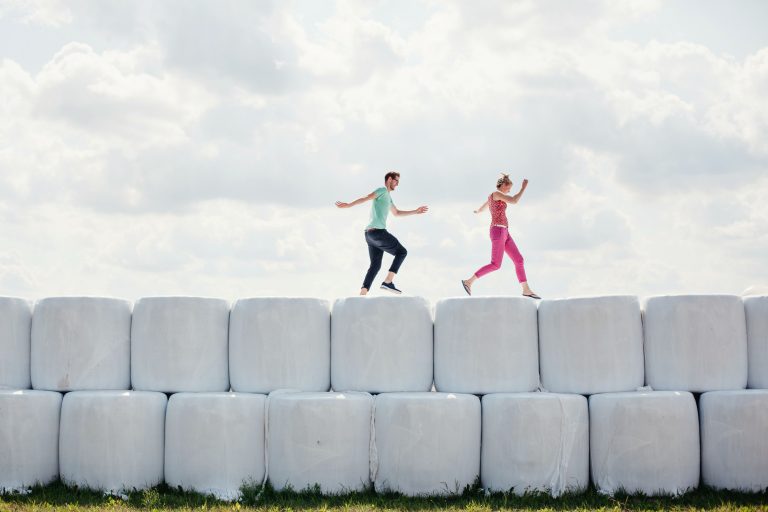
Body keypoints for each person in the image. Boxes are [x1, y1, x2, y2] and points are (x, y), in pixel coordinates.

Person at [335, 171, 428, 295]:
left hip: (369, 235)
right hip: (378, 233)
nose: (397, 184)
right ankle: (388, 281)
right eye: (396, 181)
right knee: (402, 252)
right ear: (389, 179)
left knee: (375, 265)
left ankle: (362, 293)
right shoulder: (382, 190)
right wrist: (349, 205)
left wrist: (415, 211)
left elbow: (397, 213)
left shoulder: (388, 197)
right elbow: (366, 197)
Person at [461, 173, 540, 299]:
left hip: (505, 232)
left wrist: (478, 211)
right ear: (503, 185)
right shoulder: (496, 194)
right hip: (497, 230)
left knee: (519, 260)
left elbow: (484, 207)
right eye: (508, 188)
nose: (509, 191)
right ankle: (468, 281)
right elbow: (514, 200)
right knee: (495, 264)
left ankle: (526, 289)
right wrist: (523, 188)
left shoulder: (493, 197)